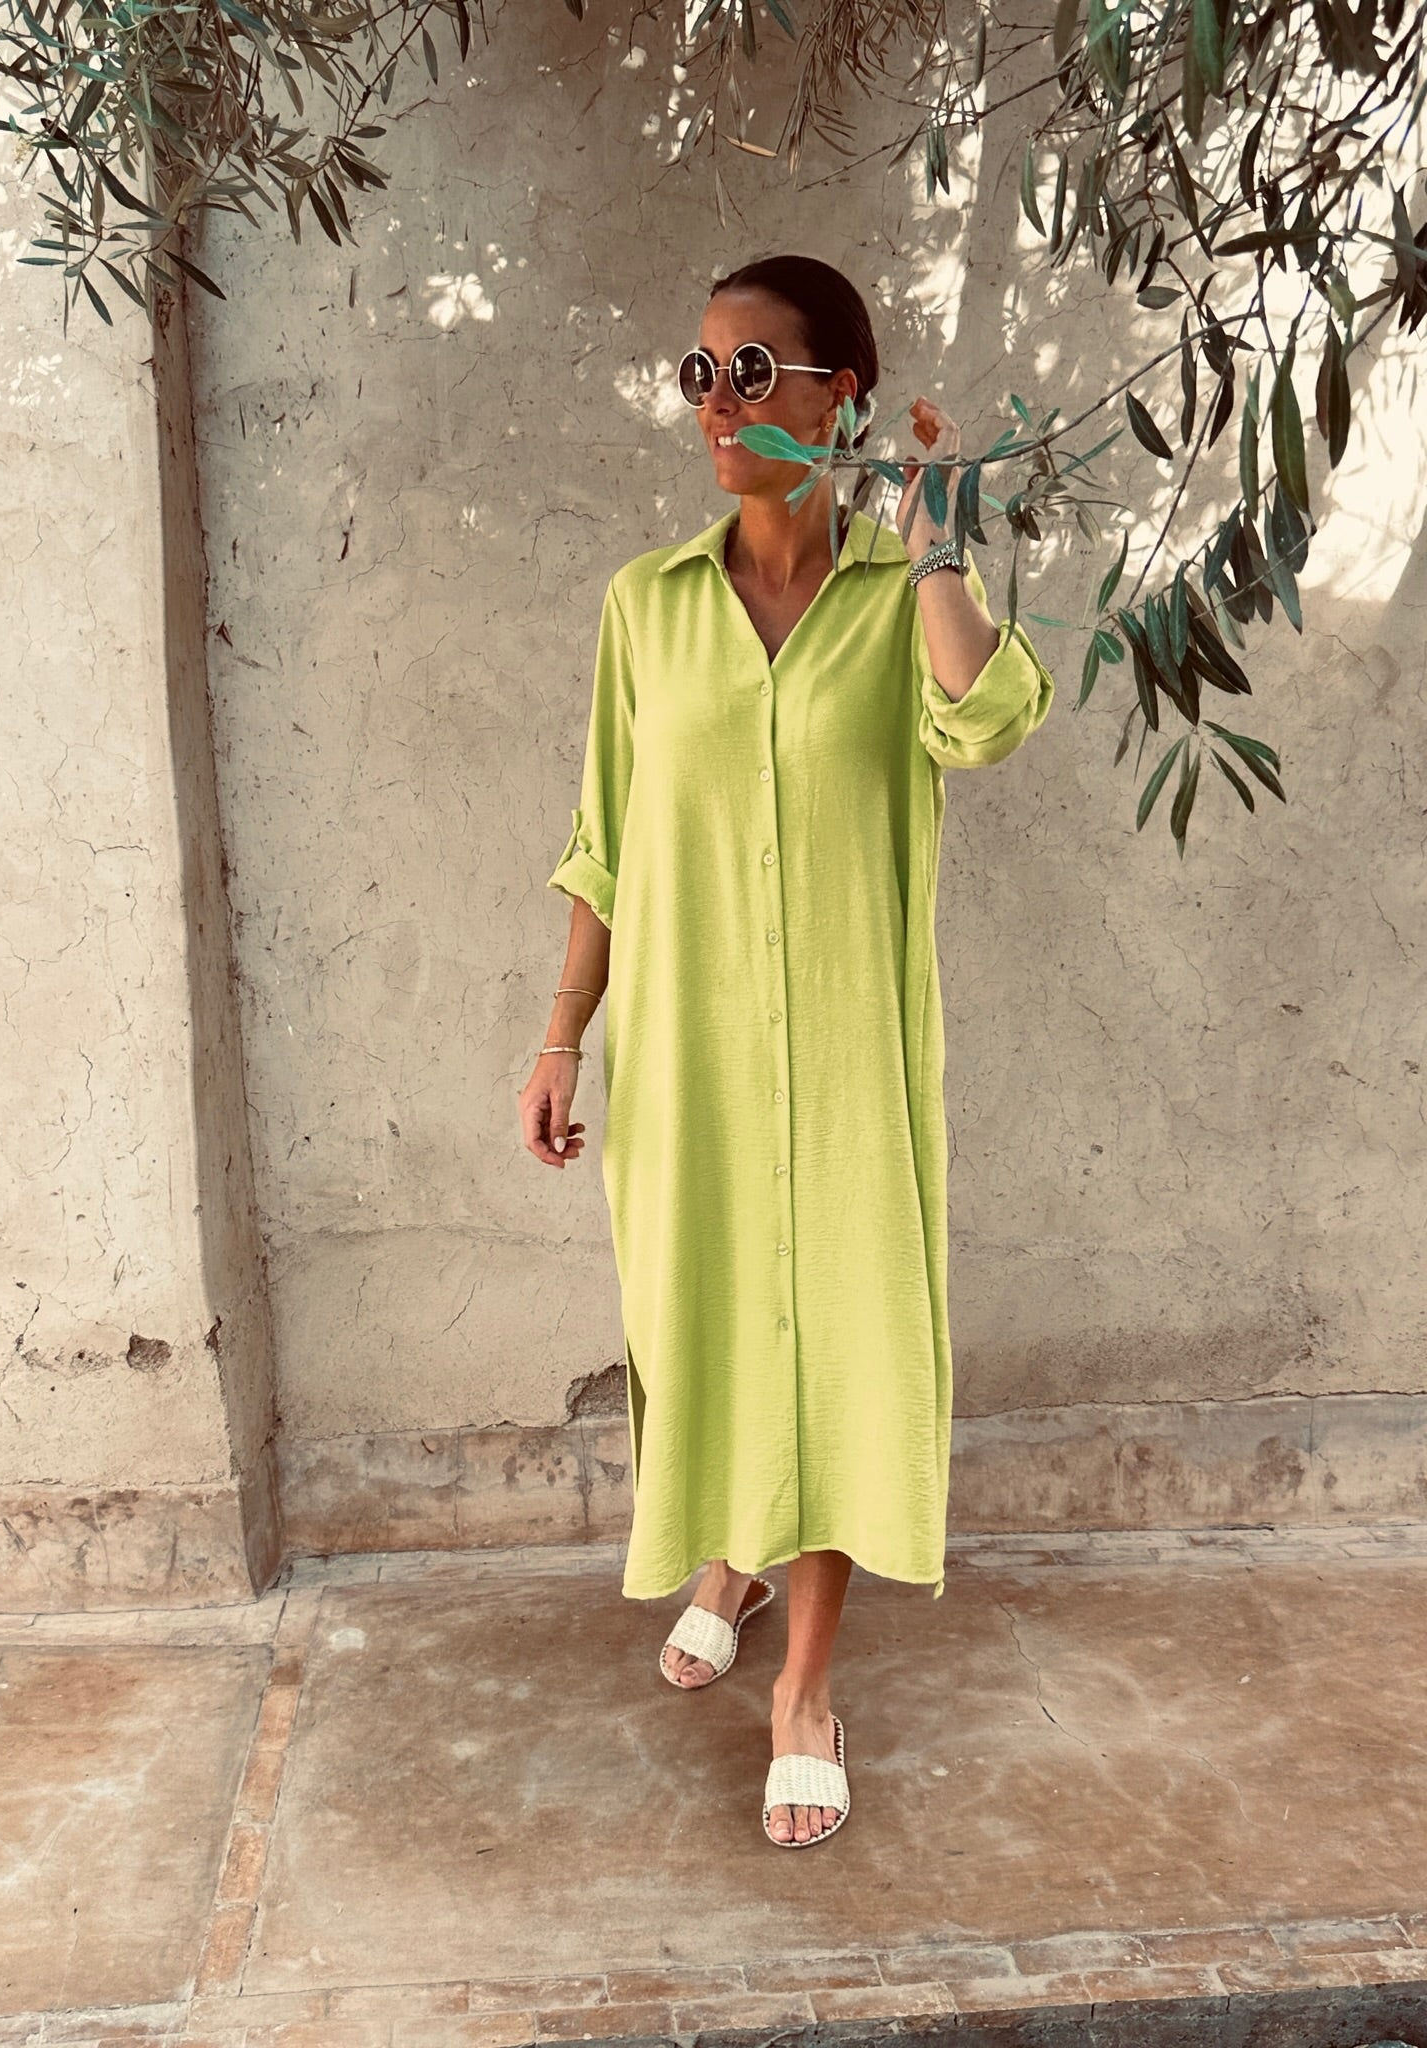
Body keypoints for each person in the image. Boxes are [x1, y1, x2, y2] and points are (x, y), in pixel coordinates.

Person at [518, 253, 1055, 1848]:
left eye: (753, 372)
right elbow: (605, 840)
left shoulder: (898, 605)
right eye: (700, 373)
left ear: (840, 398)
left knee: (835, 1345)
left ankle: (805, 1687)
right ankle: (731, 1559)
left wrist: (934, 534)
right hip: (687, 1067)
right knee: (713, 1328)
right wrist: (560, 1037)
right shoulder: (647, 605)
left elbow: (990, 717)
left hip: (845, 1066)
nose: (717, 404)